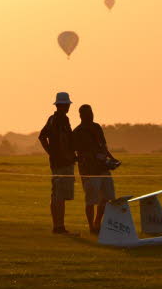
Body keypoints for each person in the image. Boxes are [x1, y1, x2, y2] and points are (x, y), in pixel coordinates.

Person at [72, 104, 117, 234]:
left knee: (107, 197)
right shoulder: (77, 132)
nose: (91, 115)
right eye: (87, 113)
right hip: (89, 171)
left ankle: (98, 222)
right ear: (81, 115)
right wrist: (90, 157)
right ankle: (91, 226)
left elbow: (104, 146)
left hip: (103, 168)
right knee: (91, 200)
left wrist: (112, 159)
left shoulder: (97, 127)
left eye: (91, 112)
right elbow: (76, 152)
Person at [39, 92, 77, 234]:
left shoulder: (53, 119)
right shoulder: (61, 120)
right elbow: (58, 140)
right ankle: (59, 226)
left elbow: (42, 137)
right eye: (66, 104)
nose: (68, 107)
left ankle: (57, 226)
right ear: (62, 105)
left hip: (58, 162)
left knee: (56, 195)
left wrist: (51, 153)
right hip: (63, 163)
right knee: (59, 195)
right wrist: (54, 153)